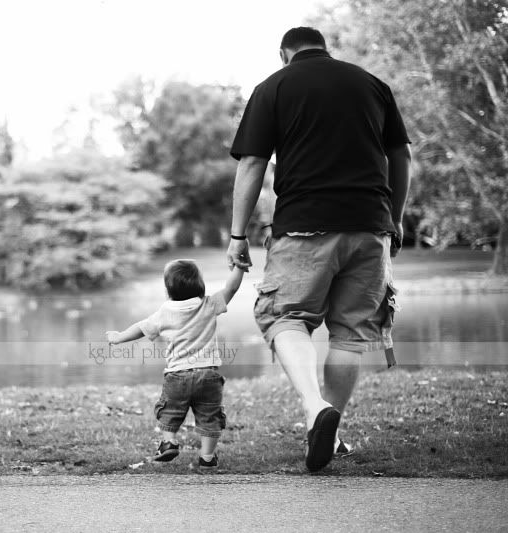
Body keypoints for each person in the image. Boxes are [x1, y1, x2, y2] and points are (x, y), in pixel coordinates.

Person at [226, 27, 412, 472]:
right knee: (349, 334)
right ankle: (332, 429)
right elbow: (400, 156)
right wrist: (396, 218)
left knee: (285, 316)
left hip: (305, 227)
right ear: (324, 47)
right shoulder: (371, 84)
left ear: (283, 53)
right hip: (370, 226)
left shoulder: (273, 87)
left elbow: (253, 162)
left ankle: (314, 408)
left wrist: (237, 235)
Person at [105, 259, 247, 468]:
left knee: (170, 410)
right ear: (199, 283)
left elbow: (141, 328)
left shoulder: (165, 311)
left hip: (177, 375)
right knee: (210, 416)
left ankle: (169, 441)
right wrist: (240, 267)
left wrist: (118, 337)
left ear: (168, 288)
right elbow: (232, 287)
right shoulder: (209, 304)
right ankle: (207, 457)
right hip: (208, 374)